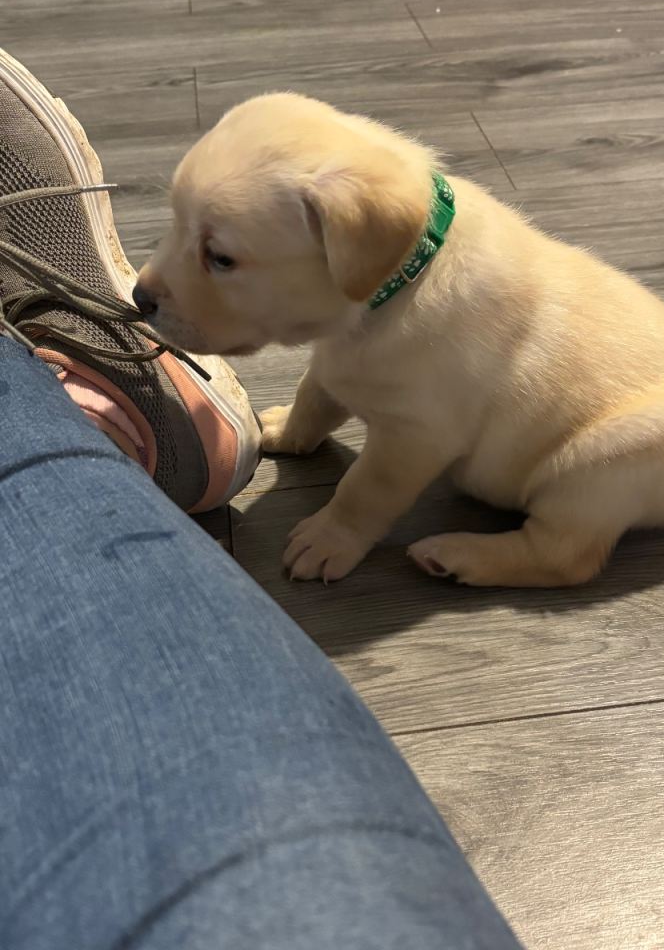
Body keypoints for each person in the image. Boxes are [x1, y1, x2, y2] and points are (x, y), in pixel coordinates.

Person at [0, 49, 524, 950]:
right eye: (178, 227)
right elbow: (346, 356)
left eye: (217, 257)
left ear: (357, 240)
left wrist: (354, 520)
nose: (151, 282)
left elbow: (413, 435)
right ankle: (109, 432)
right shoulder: (382, 276)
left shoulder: (446, 299)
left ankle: (85, 419)